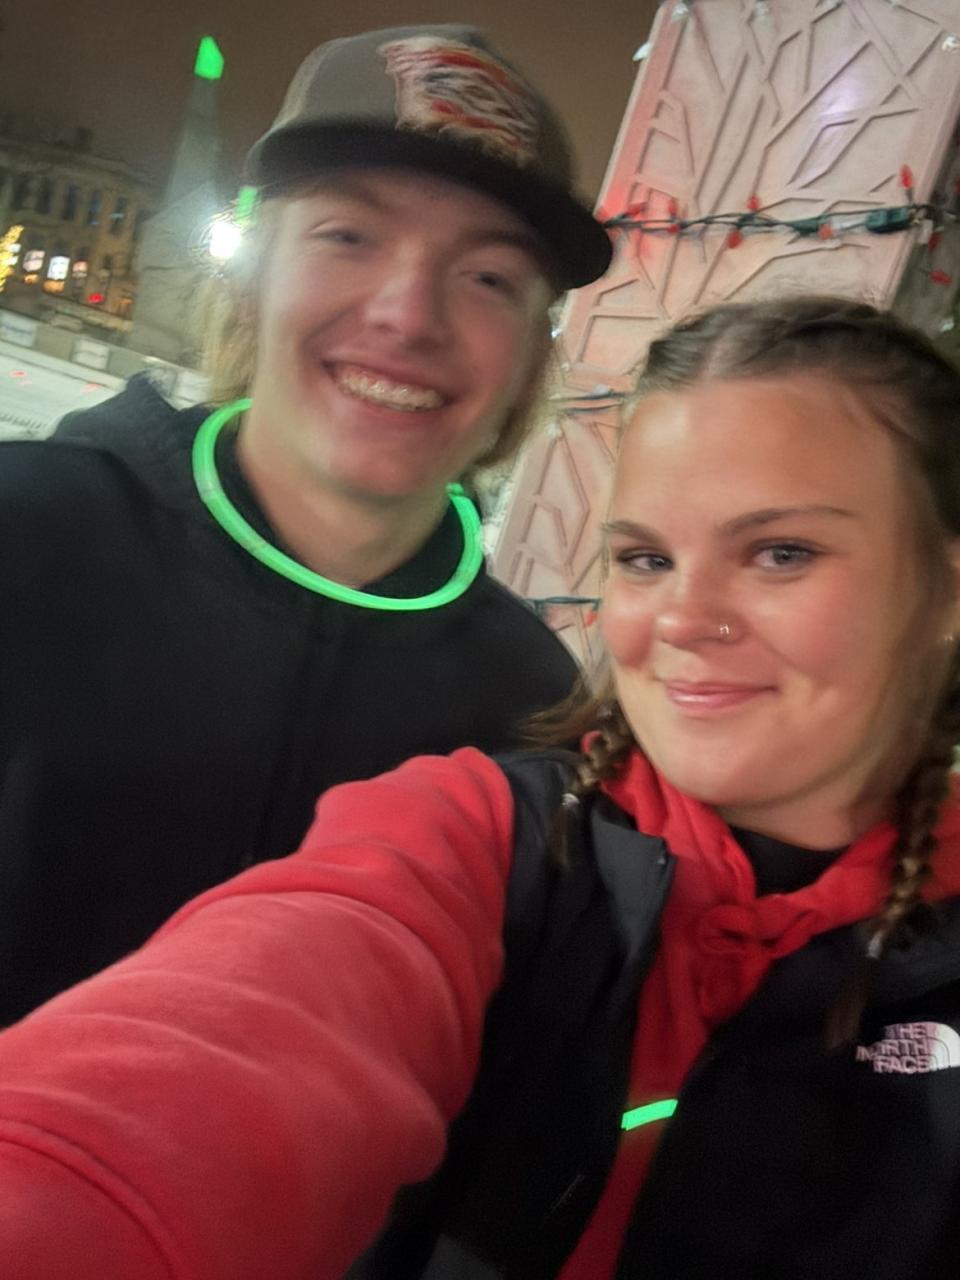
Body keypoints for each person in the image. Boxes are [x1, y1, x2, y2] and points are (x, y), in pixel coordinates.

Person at [2, 295, 960, 1280]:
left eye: (781, 552)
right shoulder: (479, 837)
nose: (680, 617)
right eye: (645, 558)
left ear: (945, 587)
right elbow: (237, 1030)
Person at [0, 25, 612, 1024]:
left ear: (530, 360)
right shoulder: (25, 536)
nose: (409, 315)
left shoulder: (535, 715)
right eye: (348, 236)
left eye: (490, 277)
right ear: (250, 280)